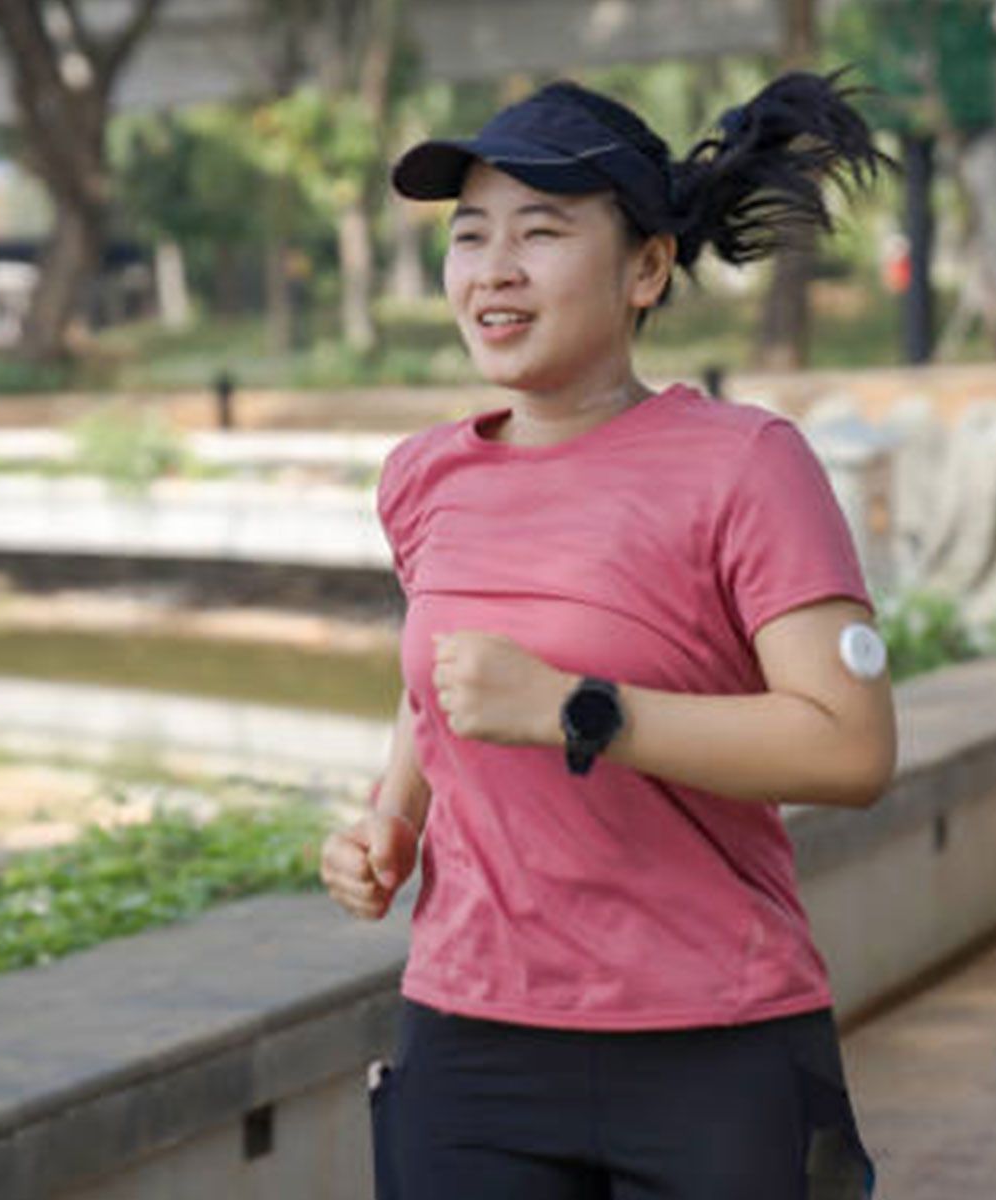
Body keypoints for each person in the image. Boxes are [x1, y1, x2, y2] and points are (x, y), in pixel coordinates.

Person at [317, 70, 898, 1199]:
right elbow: (443, 674)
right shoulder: (424, 476)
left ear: (646, 268)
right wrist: (392, 815)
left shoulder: (746, 464)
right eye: (470, 234)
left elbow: (850, 748)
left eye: (539, 232)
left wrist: (580, 709)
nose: (492, 267)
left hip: (711, 1040)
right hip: (469, 1038)